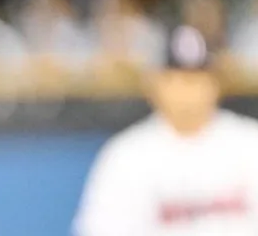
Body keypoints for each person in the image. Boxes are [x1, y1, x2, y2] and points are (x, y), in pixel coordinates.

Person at [73, 25, 258, 235]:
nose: (186, 90)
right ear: (154, 83)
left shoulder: (250, 143)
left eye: (196, 78)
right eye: (174, 78)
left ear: (217, 82)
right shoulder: (125, 155)